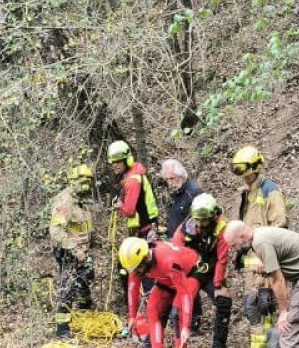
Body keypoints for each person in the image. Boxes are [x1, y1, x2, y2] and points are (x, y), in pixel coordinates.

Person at [222, 221, 299, 348]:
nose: (234, 249)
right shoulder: (259, 237)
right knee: (295, 329)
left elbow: (277, 280)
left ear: (243, 236)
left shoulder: (261, 242)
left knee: (287, 330)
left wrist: (283, 312)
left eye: (234, 245)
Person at [232, 145, 287, 348]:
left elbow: (280, 226)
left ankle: (276, 343)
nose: (243, 177)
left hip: (266, 259)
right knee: (252, 307)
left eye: (245, 173)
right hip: (251, 260)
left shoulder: (270, 191)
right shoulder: (246, 193)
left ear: (255, 168)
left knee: (265, 305)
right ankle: (259, 344)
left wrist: (266, 256)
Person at [173, 193, 232, 348]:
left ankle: (218, 344)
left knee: (224, 302)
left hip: (211, 270)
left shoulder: (221, 228)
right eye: (197, 219)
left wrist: (218, 284)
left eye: (204, 220)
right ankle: (180, 343)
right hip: (191, 272)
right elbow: (175, 253)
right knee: (178, 308)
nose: (200, 223)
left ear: (213, 216)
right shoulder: (184, 230)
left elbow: (222, 258)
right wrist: (179, 282)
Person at [119, 237, 201, 348]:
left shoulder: (167, 261)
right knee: (152, 308)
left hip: (189, 274)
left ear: (146, 258)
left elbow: (184, 294)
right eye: (133, 270)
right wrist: (132, 316)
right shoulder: (136, 264)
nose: (136, 273)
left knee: (177, 312)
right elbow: (133, 287)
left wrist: (186, 327)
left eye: (138, 269)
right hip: (166, 278)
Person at [109, 140, 160, 317]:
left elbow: (130, 211)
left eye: (118, 161)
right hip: (142, 230)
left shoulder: (132, 180)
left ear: (126, 160)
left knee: (141, 270)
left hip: (144, 232)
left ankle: (151, 313)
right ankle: (143, 311)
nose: (114, 166)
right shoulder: (133, 175)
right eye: (112, 162)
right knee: (131, 269)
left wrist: (119, 205)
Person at [48, 163, 95, 338]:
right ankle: (62, 329)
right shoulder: (65, 202)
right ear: (73, 182)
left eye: (89, 182)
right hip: (69, 252)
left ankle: (85, 310)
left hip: (82, 250)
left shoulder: (81, 201)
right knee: (67, 288)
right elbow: (56, 231)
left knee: (86, 277)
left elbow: (84, 226)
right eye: (83, 182)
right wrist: (75, 250)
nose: (86, 186)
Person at [160, 158, 202, 240]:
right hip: (173, 241)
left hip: (185, 243)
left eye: (172, 178)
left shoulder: (194, 192)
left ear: (181, 176)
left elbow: (198, 224)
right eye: (167, 179)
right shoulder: (177, 191)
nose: (169, 183)